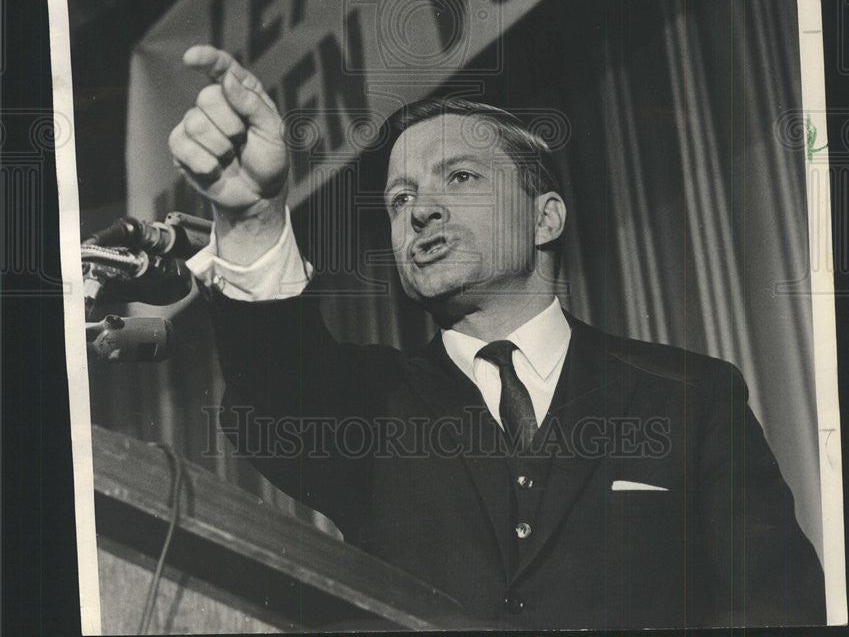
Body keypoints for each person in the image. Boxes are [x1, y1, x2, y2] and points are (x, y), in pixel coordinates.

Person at [170, 44, 826, 629]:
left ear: (545, 218)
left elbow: (776, 609)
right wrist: (253, 216)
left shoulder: (690, 395)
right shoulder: (366, 405)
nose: (419, 209)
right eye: (399, 200)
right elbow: (277, 385)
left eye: (460, 177)